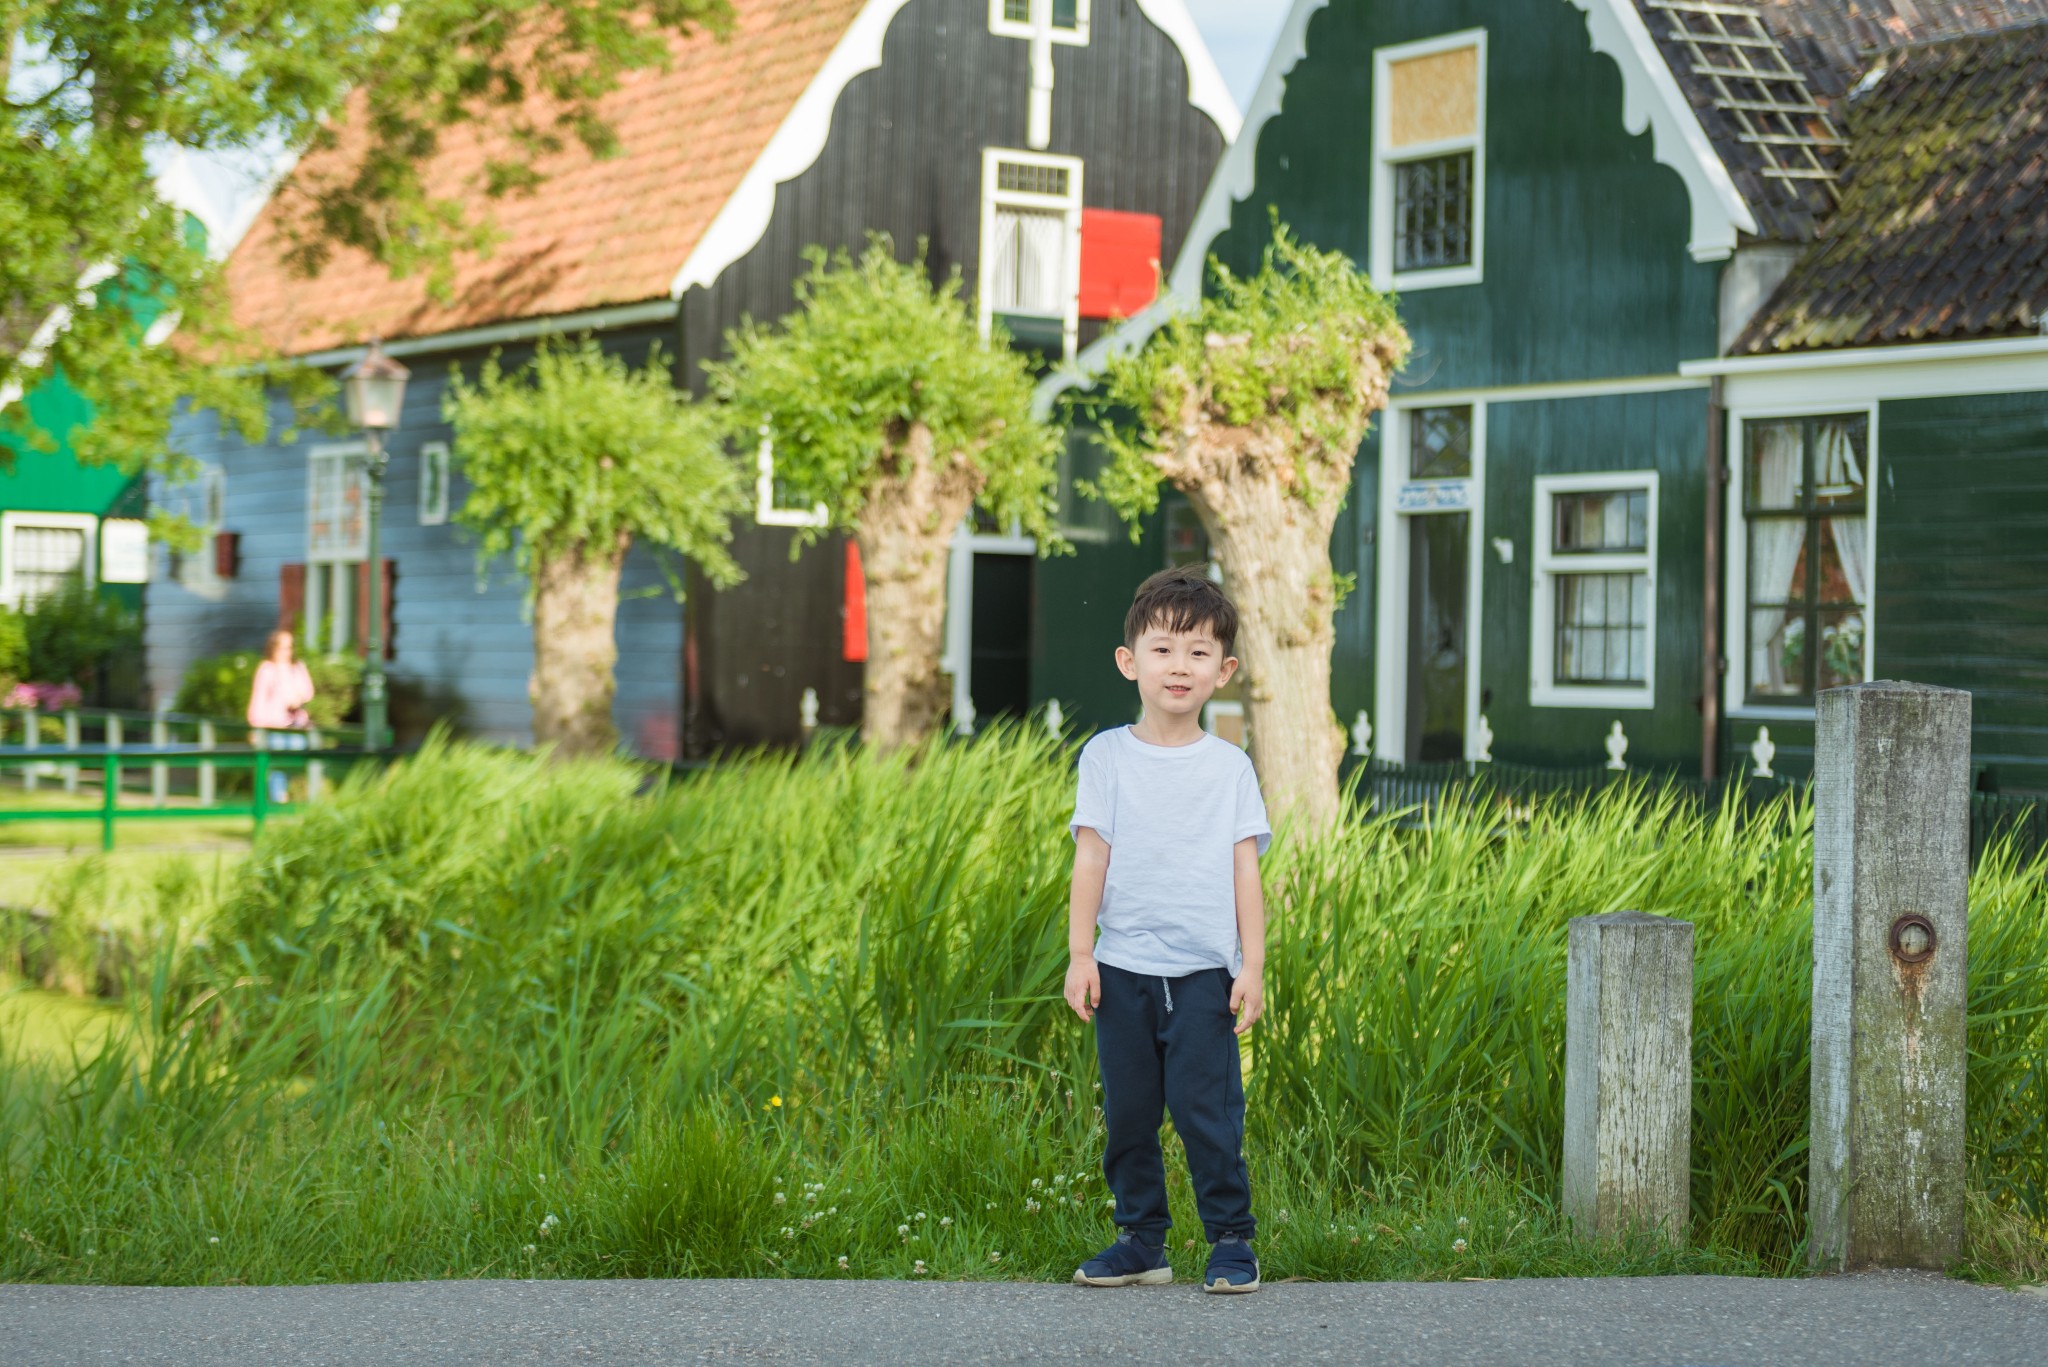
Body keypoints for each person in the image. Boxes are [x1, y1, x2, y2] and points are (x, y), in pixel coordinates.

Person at [1065, 565, 1270, 1295]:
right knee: (1128, 1114)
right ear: (1130, 661)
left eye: (1198, 652)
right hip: (1121, 970)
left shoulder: (1229, 768)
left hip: (1202, 975)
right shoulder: (1106, 757)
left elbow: (1246, 870)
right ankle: (1142, 1239)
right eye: (1162, 649)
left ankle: (1232, 1239)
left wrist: (1252, 965)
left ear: (1225, 670)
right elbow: (1093, 855)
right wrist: (1081, 952)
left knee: (1207, 1115)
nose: (1179, 666)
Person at [247, 629, 315, 803]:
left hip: (295, 725)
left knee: (295, 760)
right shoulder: (267, 669)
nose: (287, 651)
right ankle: (279, 799)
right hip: (274, 725)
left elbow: (308, 692)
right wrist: (255, 727)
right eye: (283, 647)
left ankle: (291, 794)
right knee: (276, 763)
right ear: (274, 648)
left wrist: (297, 698)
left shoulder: (298, 668)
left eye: (290, 647)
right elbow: (258, 699)